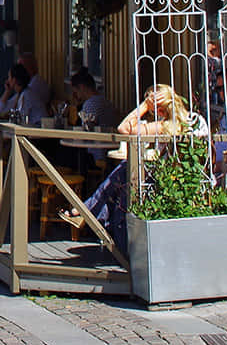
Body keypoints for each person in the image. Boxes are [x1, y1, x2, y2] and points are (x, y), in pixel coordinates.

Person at [61, 85, 204, 254]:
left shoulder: (164, 125)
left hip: (166, 181)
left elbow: (123, 128)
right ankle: (90, 214)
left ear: (160, 109)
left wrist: (143, 105)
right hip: (192, 177)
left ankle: (92, 217)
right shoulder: (197, 120)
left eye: (153, 110)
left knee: (124, 180)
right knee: (122, 180)